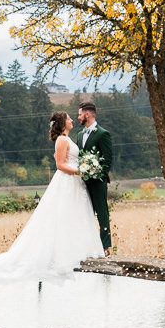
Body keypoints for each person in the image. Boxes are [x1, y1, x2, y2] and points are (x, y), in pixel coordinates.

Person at [0, 112, 104, 283]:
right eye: (68, 118)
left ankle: (76, 252)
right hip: (67, 182)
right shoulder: (61, 140)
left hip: (74, 183)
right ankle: (59, 256)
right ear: (62, 122)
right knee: (62, 216)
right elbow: (60, 165)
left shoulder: (67, 139)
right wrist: (81, 171)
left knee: (74, 216)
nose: (72, 120)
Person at [76, 101, 113, 255]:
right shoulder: (79, 135)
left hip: (98, 182)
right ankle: (87, 245)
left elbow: (107, 160)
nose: (78, 117)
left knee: (101, 212)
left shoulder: (102, 133)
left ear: (87, 114)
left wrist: (96, 174)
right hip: (81, 182)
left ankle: (104, 246)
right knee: (84, 213)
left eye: (79, 114)